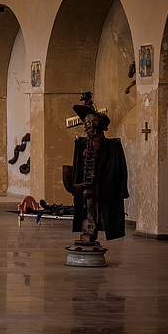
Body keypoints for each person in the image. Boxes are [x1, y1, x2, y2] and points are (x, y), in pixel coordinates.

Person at [68, 94, 128, 241]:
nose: (87, 126)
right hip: (85, 187)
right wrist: (76, 186)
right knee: (87, 210)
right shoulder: (81, 144)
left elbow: (121, 169)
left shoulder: (112, 146)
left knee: (103, 211)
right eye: (86, 122)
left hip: (105, 186)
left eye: (90, 122)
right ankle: (88, 231)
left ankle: (94, 230)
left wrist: (122, 190)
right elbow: (77, 165)